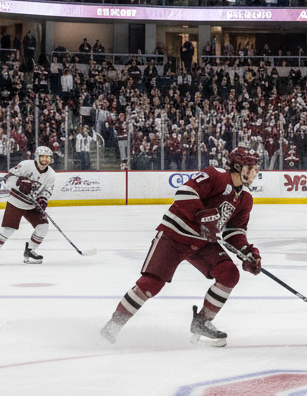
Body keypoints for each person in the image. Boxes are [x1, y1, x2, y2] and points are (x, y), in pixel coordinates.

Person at [101, 145, 262, 346]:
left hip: (203, 242)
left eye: (256, 168)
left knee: (229, 273)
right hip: (175, 235)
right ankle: (113, 325)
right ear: (237, 166)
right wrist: (202, 215)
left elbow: (234, 232)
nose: (255, 172)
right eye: (251, 167)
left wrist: (247, 253)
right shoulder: (216, 176)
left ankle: (202, 322)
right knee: (152, 283)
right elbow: (185, 193)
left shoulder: (245, 199)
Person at [0, 145, 56, 265]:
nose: (45, 160)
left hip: (31, 205)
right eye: (42, 157)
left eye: (48, 158)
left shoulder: (51, 174)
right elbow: (8, 177)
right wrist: (19, 184)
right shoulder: (26, 165)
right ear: (36, 157)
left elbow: (47, 190)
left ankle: (30, 250)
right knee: (8, 229)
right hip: (16, 202)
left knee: (43, 226)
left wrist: (43, 199)